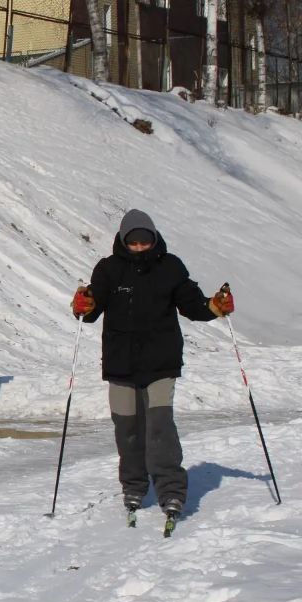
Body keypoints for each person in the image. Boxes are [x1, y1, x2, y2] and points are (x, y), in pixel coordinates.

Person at [72, 209, 233, 523]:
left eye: (144, 241)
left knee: (160, 428)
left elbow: (193, 305)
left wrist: (214, 306)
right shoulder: (108, 269)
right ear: (123, 241)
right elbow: (90, 310)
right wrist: (83, 305)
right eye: (133, 242)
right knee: (127, 430)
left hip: (161, 362)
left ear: (154, 238)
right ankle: (133, 485)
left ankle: (171, 489)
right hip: (121, 364)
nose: (139, 247)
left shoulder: (169, 267)